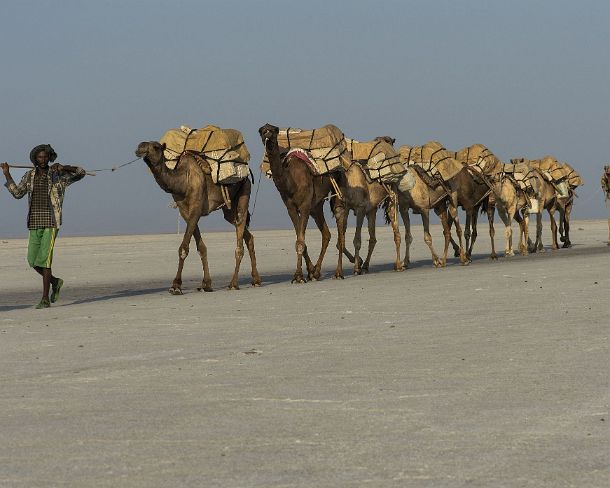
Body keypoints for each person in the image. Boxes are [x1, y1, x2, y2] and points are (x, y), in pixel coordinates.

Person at [1, 144, 86, 308]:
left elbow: (81, 173)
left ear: (50, 158)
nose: (43, 160)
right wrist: (7, 174)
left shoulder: (58, 175)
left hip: (51, 222)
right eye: (40, 157)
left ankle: (45, 299)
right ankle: (55, 281)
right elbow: (18, 193)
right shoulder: (29, 176)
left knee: (45, 261)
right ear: (35, 159)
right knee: (32, 261)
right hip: (34, 222)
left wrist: (64, 167)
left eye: (46, 157)